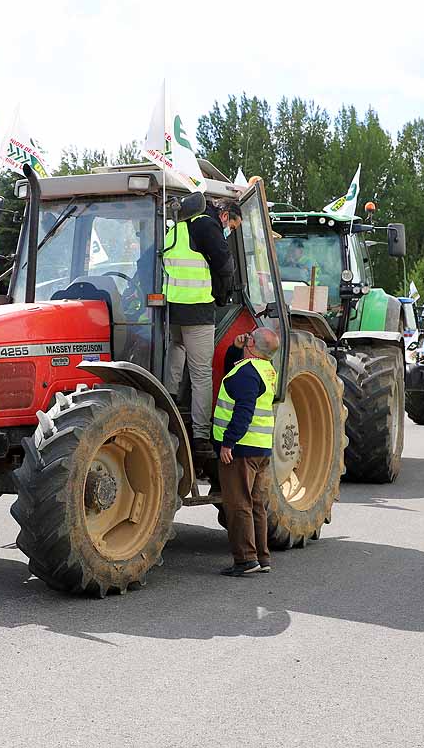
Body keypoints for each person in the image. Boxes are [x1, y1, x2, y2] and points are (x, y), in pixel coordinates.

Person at [162, 196, 233, 453]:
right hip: (199, 309)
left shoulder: (173, 230)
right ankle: (201, 434)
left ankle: (169, 400)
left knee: (176, 350)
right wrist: (222, 296)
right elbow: (224, 264)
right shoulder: (205, 226)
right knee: (201, 373)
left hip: (173, 309)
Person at [214, 327, 280, 577]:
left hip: (241, 451)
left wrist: (228, 443)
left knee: (238, 504)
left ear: (252, 343)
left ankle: (245, 560)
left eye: (249, 336)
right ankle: (262, 558)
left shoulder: (247, 373)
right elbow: (237, 373)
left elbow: (243, 411)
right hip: (260, 449)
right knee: (256, 505)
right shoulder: (265, 370)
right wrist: (235, 348)